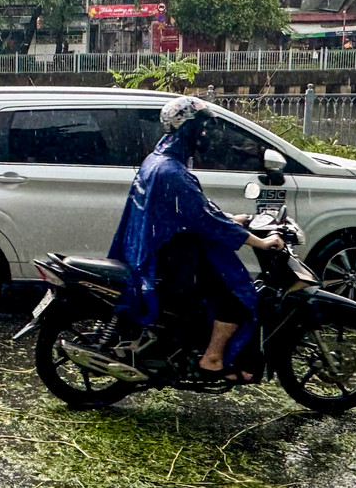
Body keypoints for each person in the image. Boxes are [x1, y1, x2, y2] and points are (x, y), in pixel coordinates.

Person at [108, 97, 285, 380]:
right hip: (174, 257)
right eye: (200, 128)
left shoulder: (158, 161)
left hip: (162, 249)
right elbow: (203, 219)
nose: (204, 135)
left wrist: (232, 218)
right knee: (236, 298)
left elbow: (193, 210)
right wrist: (260, 242)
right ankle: (212, 359)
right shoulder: (173, 172)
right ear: (186, 128)